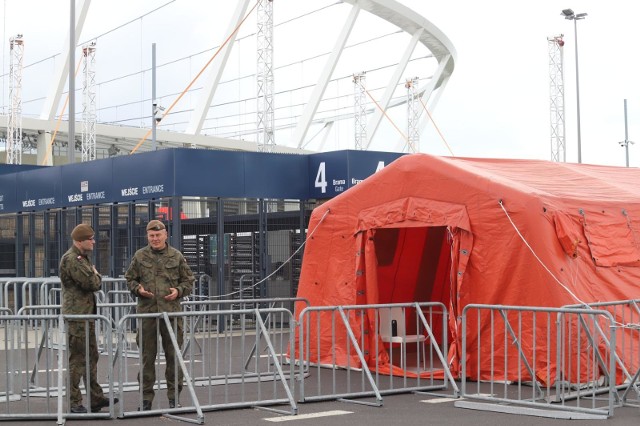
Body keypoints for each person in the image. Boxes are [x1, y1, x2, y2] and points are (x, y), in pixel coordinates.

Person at [125, 219, 194, 410]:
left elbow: (189, 281)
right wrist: (138, 290)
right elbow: (129, 279)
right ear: (148, 236)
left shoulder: (176, 256)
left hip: (171, 315)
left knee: (174, 357)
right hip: (147, 315)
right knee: (147, 358)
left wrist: (178, 291)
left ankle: (174, 399)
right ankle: (145, 400)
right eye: (151, 236)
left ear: (165, 235)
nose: (155, 239)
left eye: (158, 235)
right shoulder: (140, 256)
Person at [60, 224, 118, 413]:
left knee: (91, 357)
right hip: (77, 317)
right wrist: (95, 273)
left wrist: (93, 273)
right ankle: (75, 402)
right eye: (90, 239)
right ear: (79, 241)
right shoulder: (73, 259)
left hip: (86, 316)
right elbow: (92, 283)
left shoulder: (82, 258)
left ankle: (96, 399)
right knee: (77, 359)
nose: (93, 241)